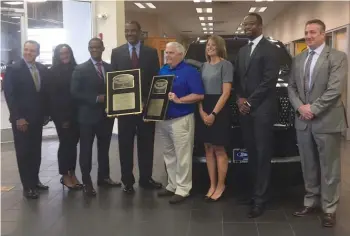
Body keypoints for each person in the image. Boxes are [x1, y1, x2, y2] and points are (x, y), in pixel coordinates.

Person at [288, 19, 348, 228]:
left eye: (313, 32)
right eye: (306, 32)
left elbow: (334, 89)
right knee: (308, 165)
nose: (309, 36)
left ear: (323, 34)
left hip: (327, 121)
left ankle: (329, 208)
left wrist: (312, 108)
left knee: (329, 167)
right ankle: (311, 201)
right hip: (303, 121)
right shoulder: (298, 59)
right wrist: (300, 107)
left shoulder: (338, 57)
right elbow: (291, 88)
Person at [233, 13, 280, 218]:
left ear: (260, 26)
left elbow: (269, 81)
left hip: (262, 111)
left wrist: (249, 101)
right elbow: (237, 79)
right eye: (245, 24)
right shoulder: (243, 51)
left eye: (250, 24)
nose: (246, 27)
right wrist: (239, 99)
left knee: (262, 155)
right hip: (245, 111)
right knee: (250, 153)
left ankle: (261, 199)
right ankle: (254, 193)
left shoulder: (270, 50)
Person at [110, 21, 162, 194]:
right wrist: (114, 105)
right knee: (125, 145)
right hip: (125, 110)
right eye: (127, 31)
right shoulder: (116, 53)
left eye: (133, 31)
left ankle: (146, 178)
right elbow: (114, 81)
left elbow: (155, 78)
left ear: (140, 32)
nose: (129, 33)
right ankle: (127, 181)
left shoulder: (151, 53)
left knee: (147, 144)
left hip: (146, 108)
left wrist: (149, 101)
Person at [71, 38, 120, 197]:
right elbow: (75, 93)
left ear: (103, 48)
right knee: (86, 150)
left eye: (97, 47)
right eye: (91, 47)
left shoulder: (110, 68)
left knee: (104, 149)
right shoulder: (80, 69)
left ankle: (104, 178)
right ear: (88, 49)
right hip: (87, 117)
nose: (94, 50)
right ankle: (87, 182)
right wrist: (95, 98)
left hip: (106, 116)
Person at [157, 42, 204, 204]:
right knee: (169, 155)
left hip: (181, 119)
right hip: (163, 119)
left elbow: (199, 95)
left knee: (182, 156)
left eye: (170, 53)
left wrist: (179, 100)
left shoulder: (190, 72)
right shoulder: (162, 70)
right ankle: (172, 184)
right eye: (166, 53)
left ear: (181, 55)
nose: (167, 55)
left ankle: (183, 189)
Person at [3, 40, 50, 199]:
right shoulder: (13, 69)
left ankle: (35, 180)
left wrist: (46, 114)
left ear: (37, 53)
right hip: (21, 120)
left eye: (32, 51)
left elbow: (44, 94)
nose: (28, 53)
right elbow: (10, 96)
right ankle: (28, 186)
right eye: (26, 50)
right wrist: (18, 118)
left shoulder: (42, 69)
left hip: (37, 119)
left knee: (35, 151)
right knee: (24, 153)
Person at [198, 35, 233, 202]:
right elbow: (198, 92)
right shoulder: (203, 66)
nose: (209, 47)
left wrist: (213, 114)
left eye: (213, 45)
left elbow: (226, 93)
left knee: (219, 149)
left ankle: (221, 185)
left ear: (219, 47)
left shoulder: (226, 65)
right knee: (208, 149)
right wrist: (201, 112)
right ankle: (211, 185)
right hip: (204, 107)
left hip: (218, 109)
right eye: (208, 45)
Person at [46, 44, 82, 190]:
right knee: (65, 145)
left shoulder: (77, 69)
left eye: (67, 52)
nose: (65, 55)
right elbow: (53, 98)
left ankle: (72, 173)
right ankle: (65, 175)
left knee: (73, 145)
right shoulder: (52, 72)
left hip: (77, 115)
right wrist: (62, 118)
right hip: (62, 116)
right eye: (61, 53)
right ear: (57, 55)